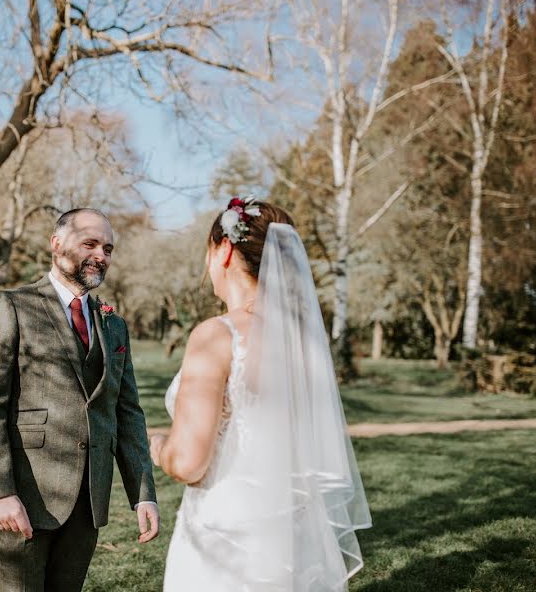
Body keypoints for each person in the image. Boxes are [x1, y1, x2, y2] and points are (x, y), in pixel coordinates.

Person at [151, 197, 372, 591]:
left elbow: (187, 464)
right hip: (295, 537)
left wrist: (155, 445)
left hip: (223, 541)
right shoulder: (304, 343)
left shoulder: (216, 335)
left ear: (224, 249)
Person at [0, 208, 159, 592]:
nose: (101, 254)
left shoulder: (113, 324)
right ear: (57, 244)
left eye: (108, 247)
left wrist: (143, 494)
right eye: (90, 243)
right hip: (24, 494)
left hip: (88, 501)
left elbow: (128, 413)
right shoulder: (12, 307)